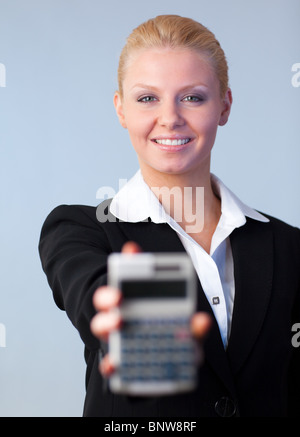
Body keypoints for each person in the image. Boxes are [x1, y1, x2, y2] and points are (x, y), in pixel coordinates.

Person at [38, 15, 300, 417]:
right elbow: (95, 298)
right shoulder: (80, 231)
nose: (170, 117)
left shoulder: (287, 245)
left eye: (193, 97)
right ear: (121, 109)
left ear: (225, 105)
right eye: (147, 98)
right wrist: (123, 319)